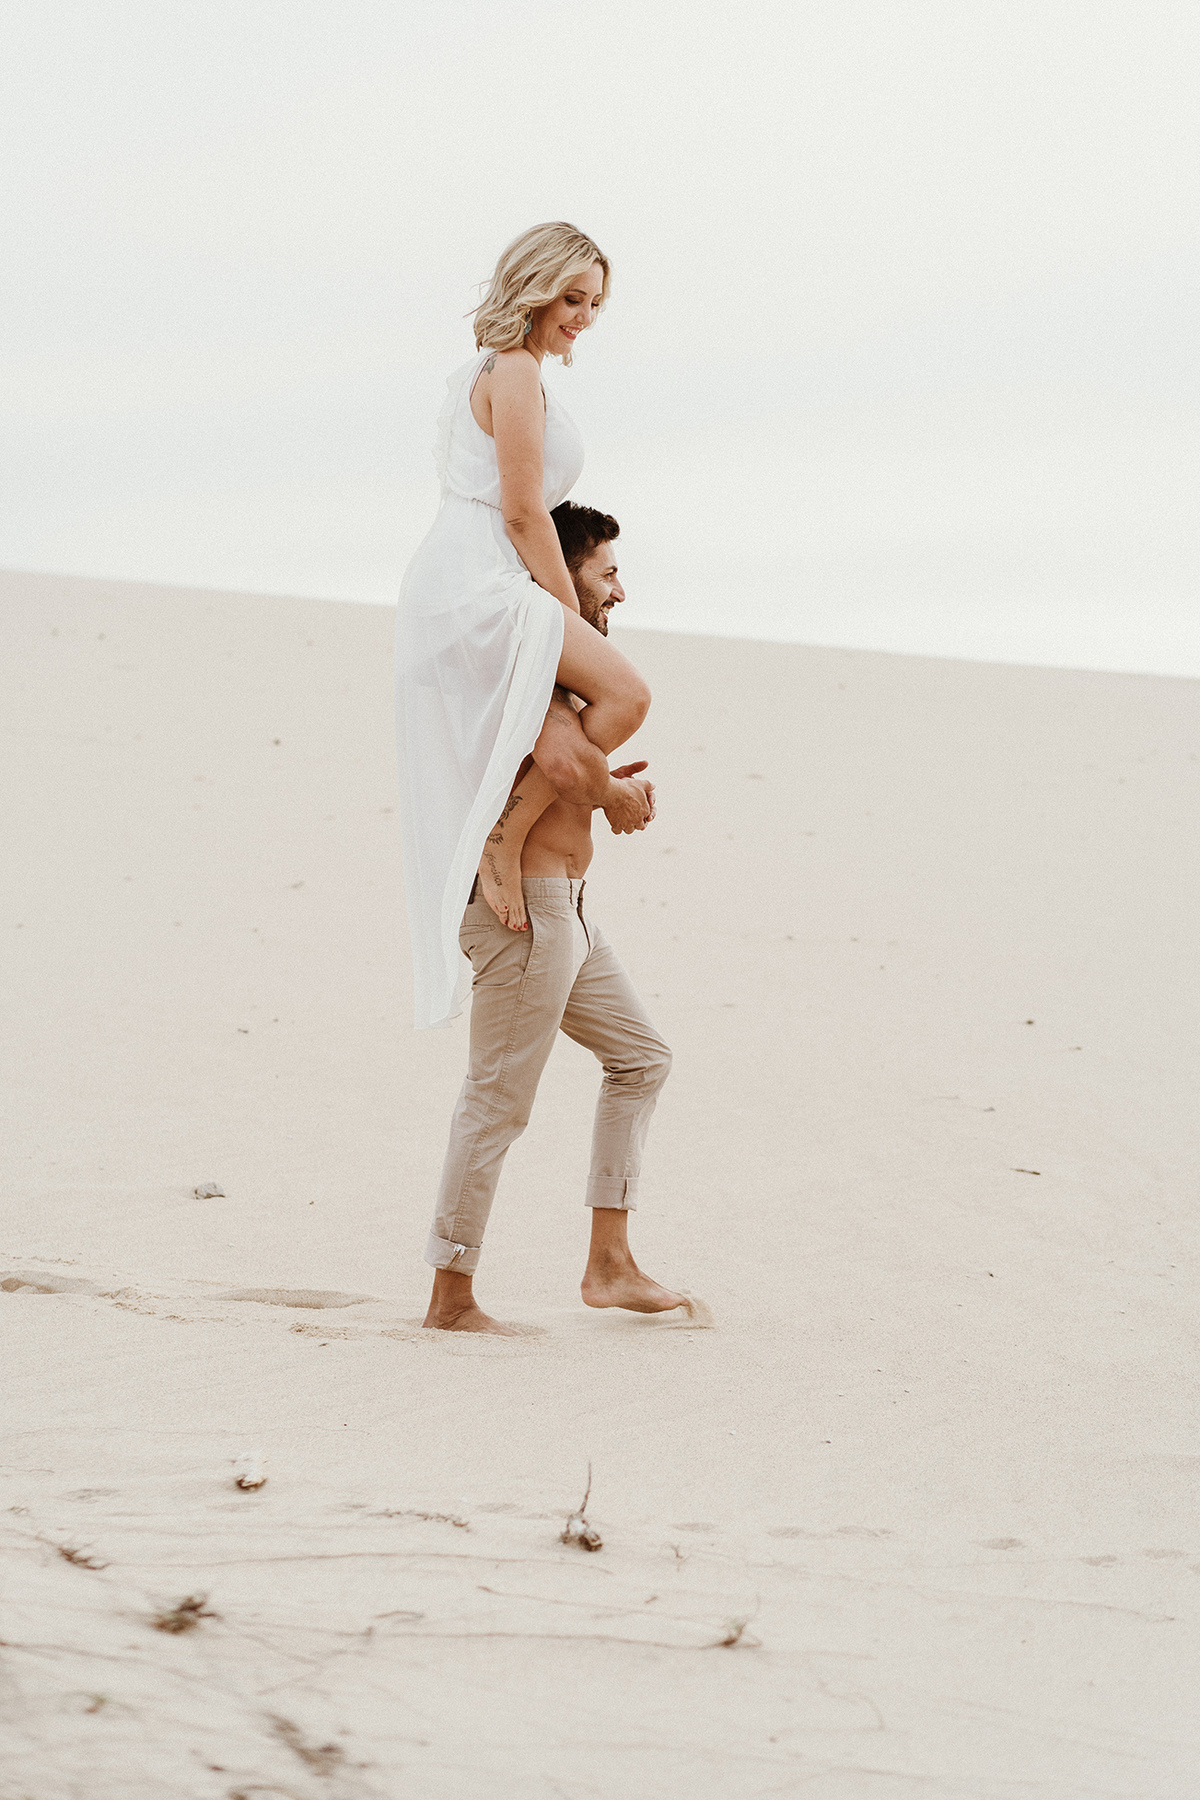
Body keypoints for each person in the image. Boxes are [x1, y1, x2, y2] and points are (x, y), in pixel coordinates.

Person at [423, 503, 689, 1334]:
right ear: (560, 571)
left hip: (567, 910)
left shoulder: (567, 670)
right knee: (497, 1102)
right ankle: (451, 1299)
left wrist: (604, 789)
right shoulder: (523, 651)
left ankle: (609, 1265)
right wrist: (613, 792)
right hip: (523, 912)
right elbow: (566, 757)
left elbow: (572, 761)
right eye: (606, 571)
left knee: (642, 1059)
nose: (620, 588)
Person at [395, 223, 655, 1030]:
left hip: (480, 573)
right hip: (479, 578)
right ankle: (504, 841)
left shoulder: (512, 372)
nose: (582, 316)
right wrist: (566, 613)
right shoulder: (511, 370)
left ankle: (524, 838)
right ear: (532, 286)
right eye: (571, 297)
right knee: (624, 693)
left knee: (575, 716)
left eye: (595, 303)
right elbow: (519, 509)